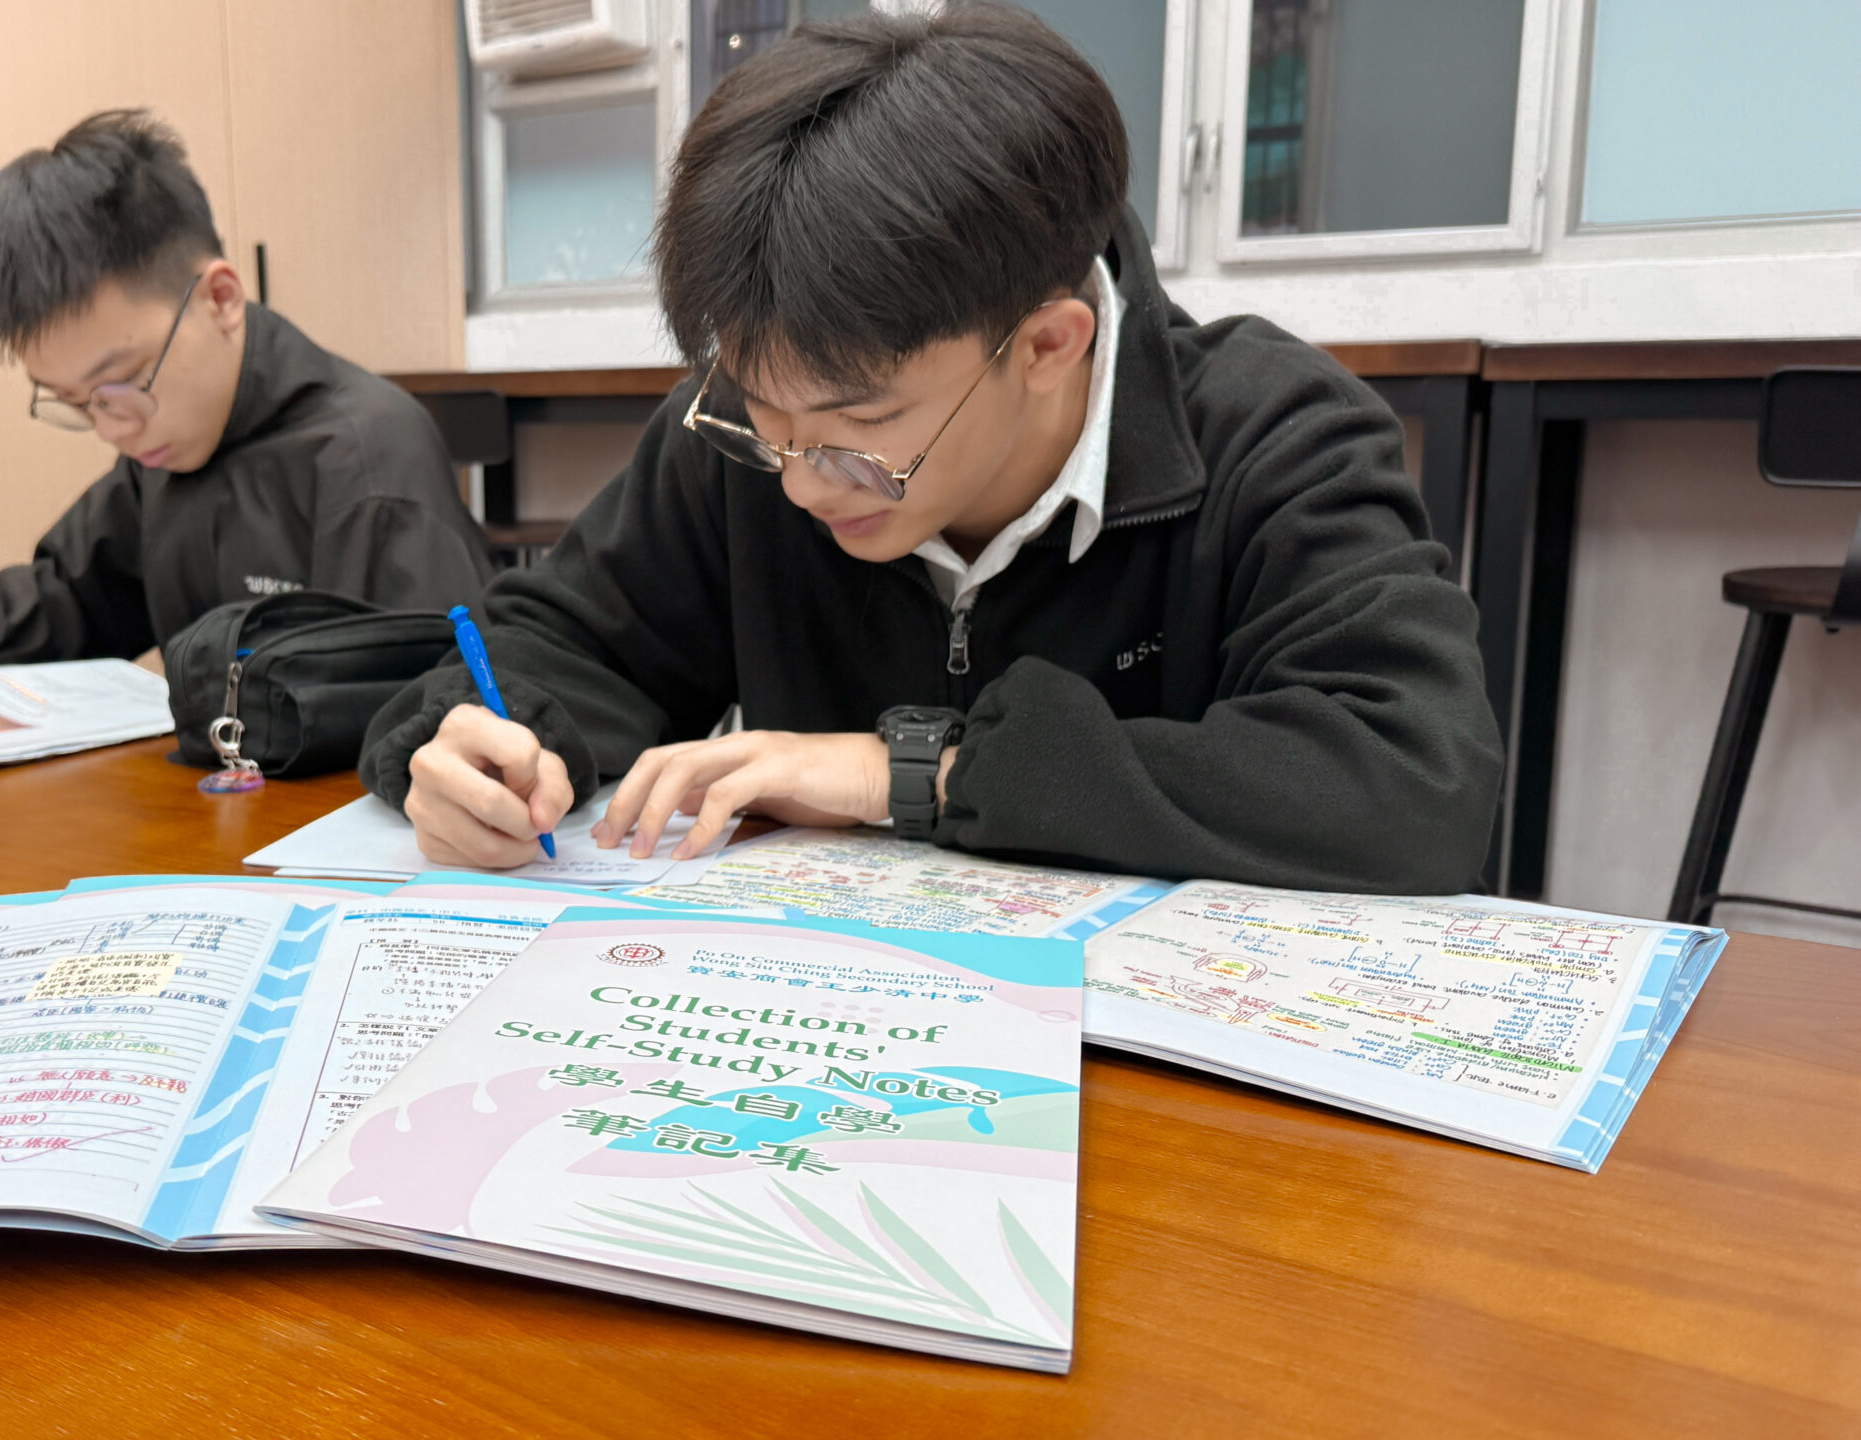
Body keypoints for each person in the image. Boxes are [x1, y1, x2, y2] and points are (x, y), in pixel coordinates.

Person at [363, 4, 1502, 893]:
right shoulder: (753, 435)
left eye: (864, 428)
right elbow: (562, 643)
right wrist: (488, 746)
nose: (800, 482)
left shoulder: (1272, 438)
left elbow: (1413, 777)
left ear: (1047, 345)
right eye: (761, 411)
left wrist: (912, 772)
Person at [0, 110, 492, 673]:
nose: (112, 429)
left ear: (220, 299)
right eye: (76, 402)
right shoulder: (164, 449)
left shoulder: (370, 468)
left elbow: (441, 702)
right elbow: (73, 595)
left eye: (124, 382)